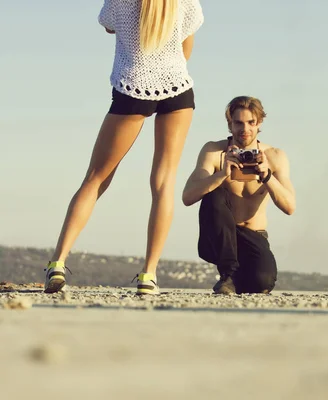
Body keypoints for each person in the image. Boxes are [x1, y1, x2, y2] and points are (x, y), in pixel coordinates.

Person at [43, 0, 205, 295]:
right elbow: (186, 47)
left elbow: (108, 25)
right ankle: (149, 275)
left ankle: (58, 262)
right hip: (178, 89)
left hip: (133, 87)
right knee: (163, 182)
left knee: (96, 178)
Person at [182, 96, 296, 294]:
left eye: (251, 122)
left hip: (254, 235)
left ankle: (235, 279)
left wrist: (267, 176)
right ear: (230, 124)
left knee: (262, 282)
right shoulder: (214, 152)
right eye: (239, 123)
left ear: (259, 123)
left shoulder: (274, 156)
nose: (245, 129)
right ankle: (228, 274)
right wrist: (222, 175)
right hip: (221, 236)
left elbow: (289, 207)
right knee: (213, 193)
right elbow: (188, 196)